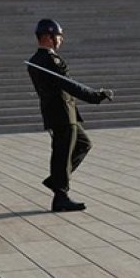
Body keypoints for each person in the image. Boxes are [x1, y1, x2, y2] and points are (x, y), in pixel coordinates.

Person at [26, 20, 111, 212]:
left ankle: (56, 181)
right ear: (48, 37)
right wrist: (95, 96)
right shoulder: (50, 60)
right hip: (62, 114)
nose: (61, 39)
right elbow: (69, 84)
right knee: (62, 154)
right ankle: (60, 196)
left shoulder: (35, 61)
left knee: (83, 144)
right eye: (58, 36)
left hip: (57, 112)